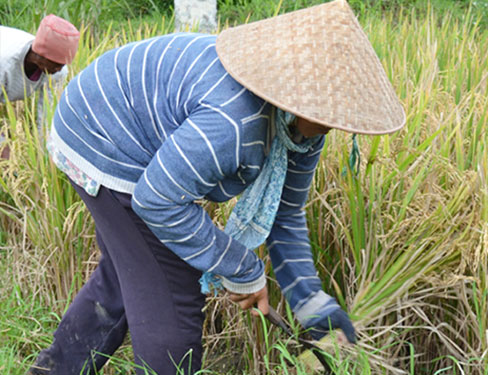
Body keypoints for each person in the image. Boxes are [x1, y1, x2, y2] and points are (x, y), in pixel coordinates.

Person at [28, 0, 405, 374]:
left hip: (123, 130)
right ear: (298, 96)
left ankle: (53, 371)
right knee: (172, 301)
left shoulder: (303, 131)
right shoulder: (234, 122)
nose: (336, 125)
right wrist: (242, 269)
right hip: (102, 134)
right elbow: (157, 200)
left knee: (134, 270)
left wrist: (314, 307)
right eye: (330, 115)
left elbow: (284, 214)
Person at [0, 15, 80, 159]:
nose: (60, 69)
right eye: (56, 64)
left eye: (63, 64)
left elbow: (46, 118)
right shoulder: (4, 63)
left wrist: (43, 160)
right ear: (41, 55)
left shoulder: (58, 73)